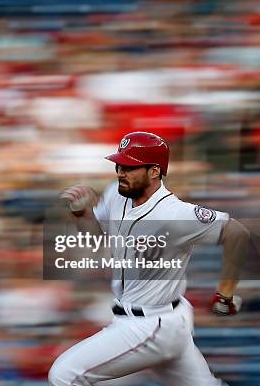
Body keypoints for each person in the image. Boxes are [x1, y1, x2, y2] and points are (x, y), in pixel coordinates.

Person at [49, 131, 249, 386]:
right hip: (154, 321)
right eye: (119, 165)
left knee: (64, 374)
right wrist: (81, 214)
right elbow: (97, 237)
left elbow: (238, 233)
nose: (121, 171)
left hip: (151, 324)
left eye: (130, 167)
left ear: (154, 171)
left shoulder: (175, 214)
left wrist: (225, 294)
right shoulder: (116, 193)